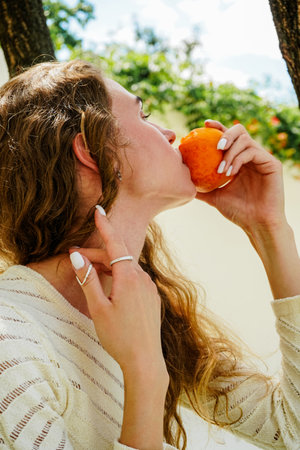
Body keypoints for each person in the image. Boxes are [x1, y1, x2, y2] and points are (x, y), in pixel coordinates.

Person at [0, 59, 299, 450]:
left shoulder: (152, 315)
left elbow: (291, 428)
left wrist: (270, 230)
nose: (171, 133)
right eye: (144, 115)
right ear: (90, 151)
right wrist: (144, 372)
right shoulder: (11, 338)